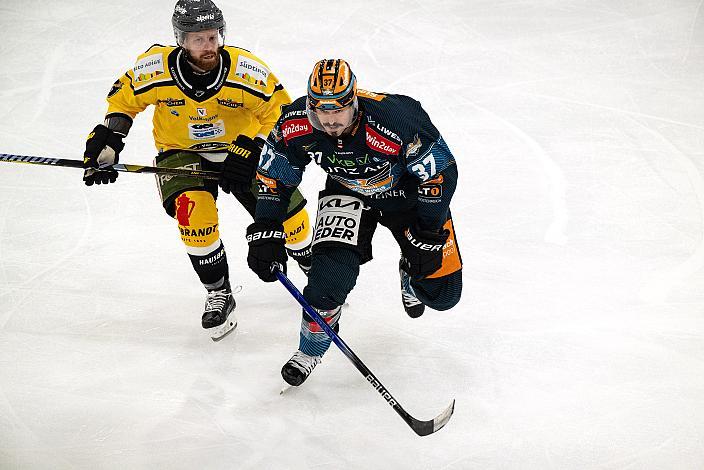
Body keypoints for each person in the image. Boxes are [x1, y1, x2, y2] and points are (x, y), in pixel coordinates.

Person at [81, 0, 313, 341]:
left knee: (291, 218)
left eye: (214, 36)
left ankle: (315, 270)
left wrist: (255, 147)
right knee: (195, 217)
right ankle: (218, 291)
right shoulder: (154, 69)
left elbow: (283, 113)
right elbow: (124, 101)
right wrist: (111, 139)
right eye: (199, 39)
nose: (210, 45)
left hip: (241, 150)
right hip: (182, 152)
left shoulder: (246, 71)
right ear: (181, 40)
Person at [243, 59, 463, 385]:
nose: (330, 122)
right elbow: (273, 176)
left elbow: (440, 173)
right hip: (349, 196)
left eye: (338, 113)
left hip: (409, 198)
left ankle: (411, 273)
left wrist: (429, 232)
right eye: (321, 113)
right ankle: (310, 349)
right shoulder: (295, 122)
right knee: (327, 279)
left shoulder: (396, 121)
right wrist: (266, 229)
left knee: (443, 295)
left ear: (353, 102)